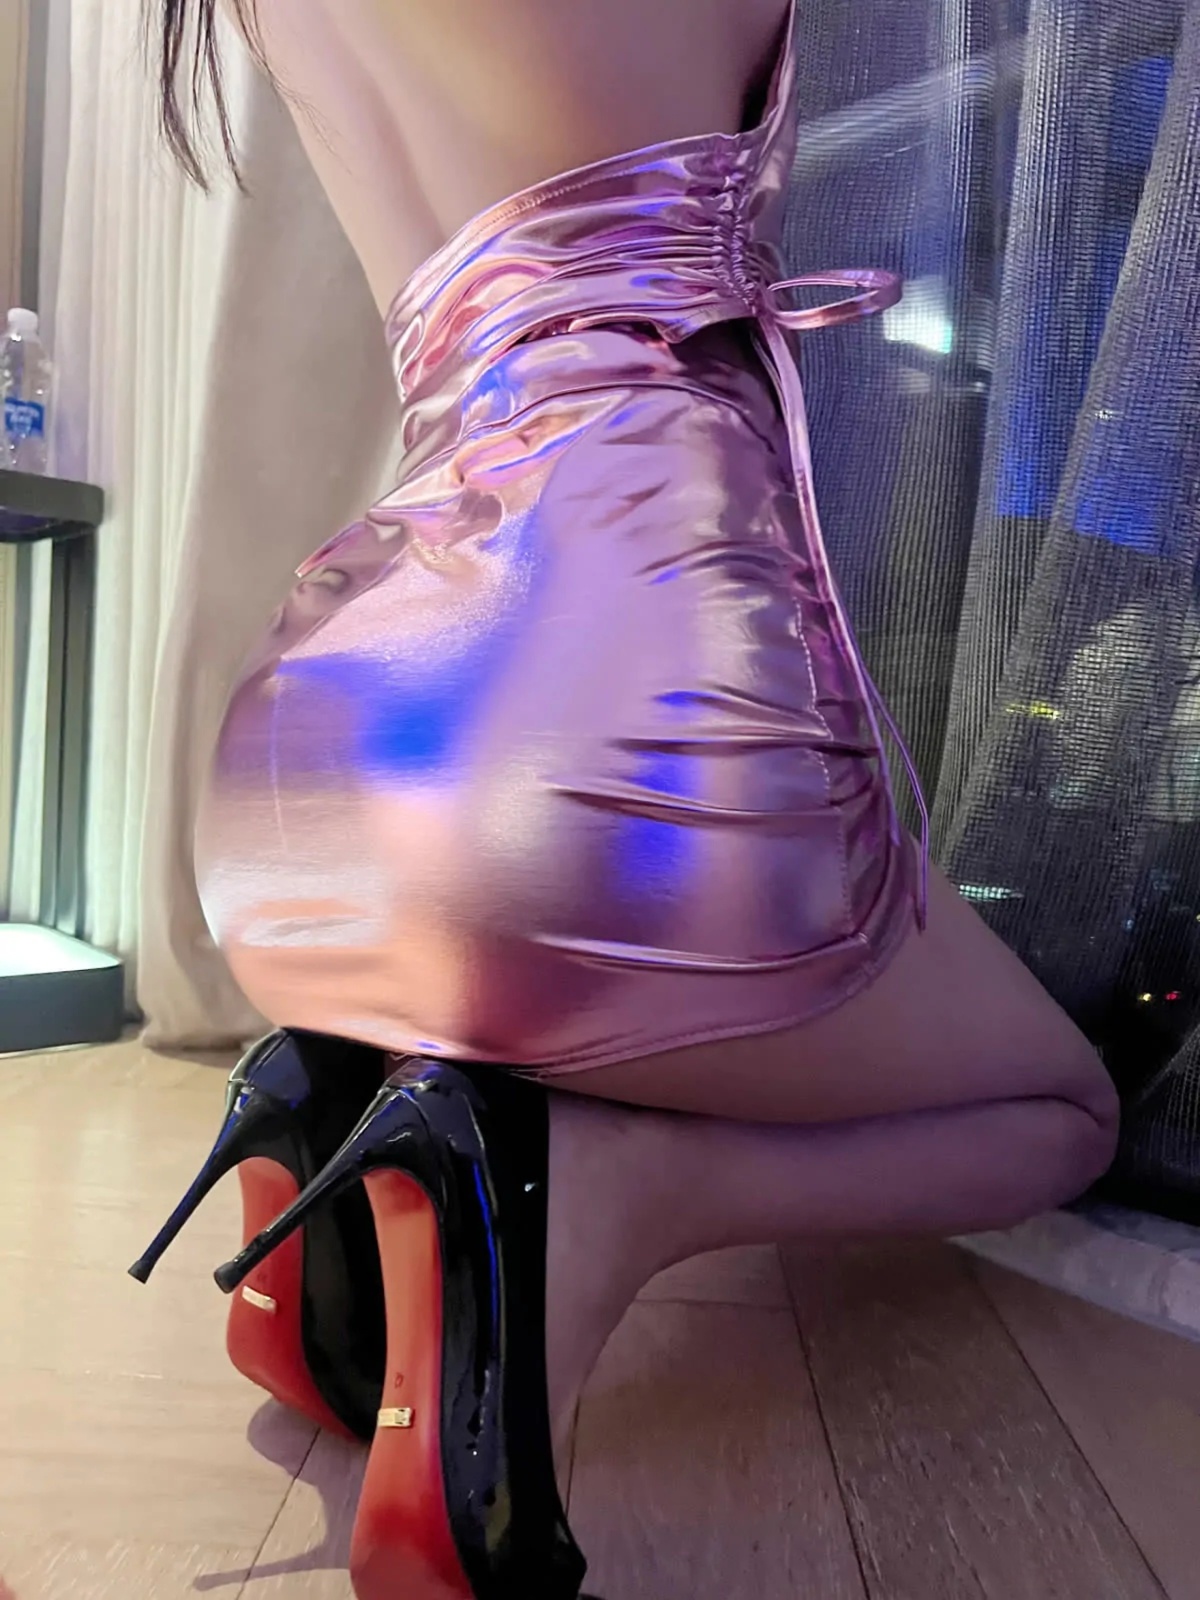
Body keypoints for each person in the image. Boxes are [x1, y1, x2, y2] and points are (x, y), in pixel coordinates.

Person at [134, 4, 1120, 1597]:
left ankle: (342, 1137)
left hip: (309, 748)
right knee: (1064, 1113)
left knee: (543, 962)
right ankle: (614, 1187)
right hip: (597, 705)